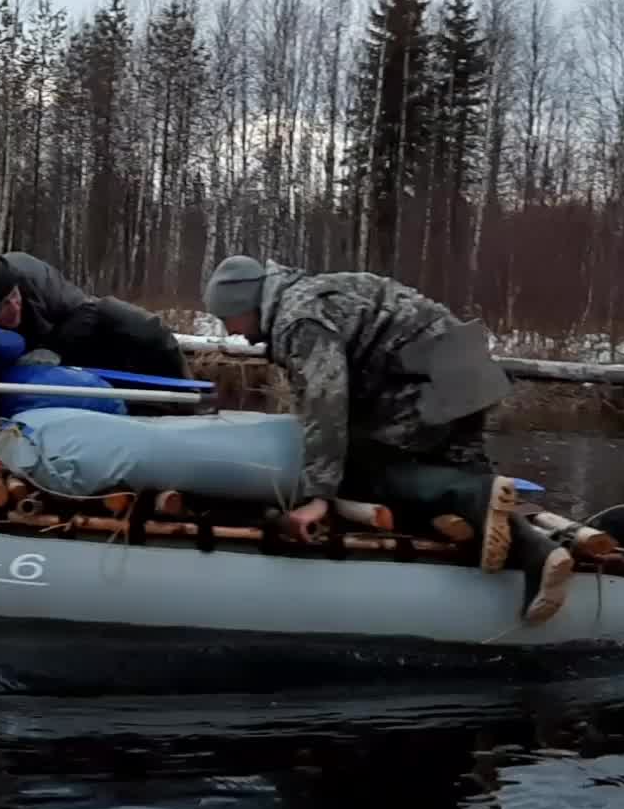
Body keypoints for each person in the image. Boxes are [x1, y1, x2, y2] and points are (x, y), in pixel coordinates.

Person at [201, 254, 576, 625]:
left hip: (429, 384)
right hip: (463, 371)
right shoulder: (311, 292)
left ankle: (473, 496)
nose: (232, 332)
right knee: (455, 479)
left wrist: (318, 496)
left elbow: (326, 403)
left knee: (362, 468)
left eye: (227, 318)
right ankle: (534, 552)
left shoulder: (297, 318)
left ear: (246, 305)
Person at [0, 251, 190, 380]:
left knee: (128, 320)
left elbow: (85, 310)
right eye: (0, 307)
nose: (14, 309)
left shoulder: (31, 273)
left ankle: (179, 400)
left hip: (57, 345)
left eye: (14, 296)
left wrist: (53, 349)